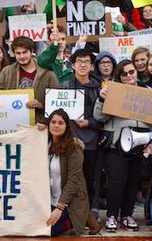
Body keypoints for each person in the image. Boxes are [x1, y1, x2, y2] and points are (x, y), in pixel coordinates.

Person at [93, 59, 152, 232]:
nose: (128, 76)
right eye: (124, 73)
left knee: (133, 182)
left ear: (136, 72)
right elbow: (99, 117)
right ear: (119, 76)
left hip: (139, 145)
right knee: (116, 182)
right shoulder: (112, 91)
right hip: (116, 146)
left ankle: (126, 216)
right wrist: (101, 98)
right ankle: (112, 216)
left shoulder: (148, 91)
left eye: (131, 72)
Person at [43, 109, 100, 236]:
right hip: (49, 199)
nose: (56, 126)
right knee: (34, 225)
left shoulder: (74, 148)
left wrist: (59, 207)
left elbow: (74, 180)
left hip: (69, 201)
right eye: (53, 122)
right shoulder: (44, 142)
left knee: (48, 230)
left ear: (66, 126)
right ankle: (84, 216)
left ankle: (75, 220)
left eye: (60, 123)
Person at [57, 49, 102, 208]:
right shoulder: (63, 87)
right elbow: (56, 113)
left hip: (91, 141)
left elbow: (106, 118)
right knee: (67, 179)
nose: (83, 65)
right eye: (79, 62)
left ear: (91, 67)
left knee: (90, 179)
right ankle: (68, 211)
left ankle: (91, 210)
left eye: (86, 62)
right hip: (69, 141)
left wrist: (89, 123)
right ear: (73, 65)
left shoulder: (100, 89)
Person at [0, 36, 59, 123]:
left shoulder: (48, 74)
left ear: (32, 51)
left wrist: (41, 105)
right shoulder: (6, 72)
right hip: (13, 124)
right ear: (14, 54)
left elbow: (57, 102)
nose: (22, 56)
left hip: (39, 125)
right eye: (18, 53)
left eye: (25, 52)